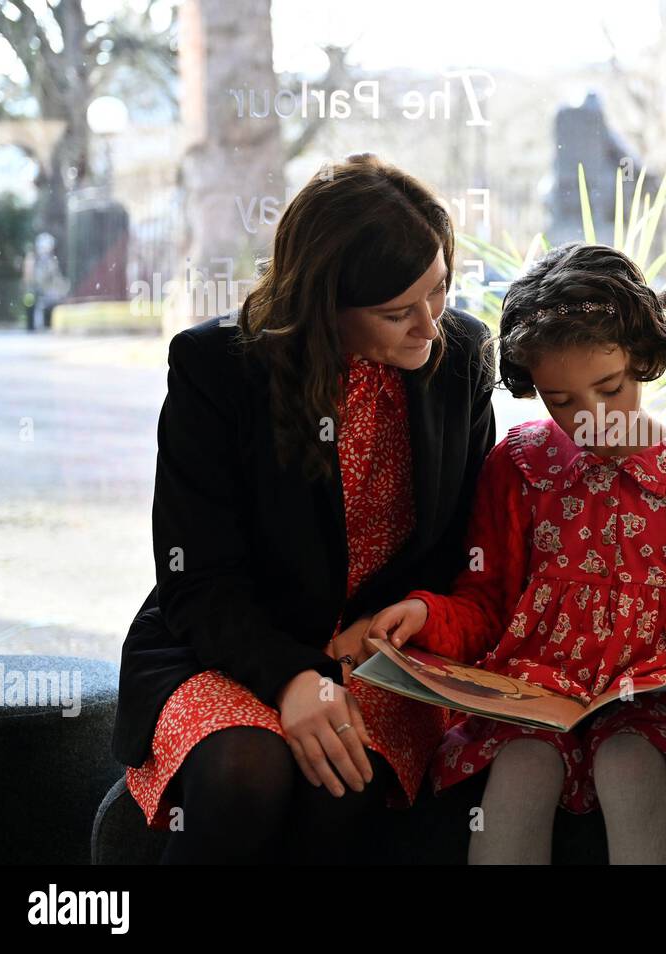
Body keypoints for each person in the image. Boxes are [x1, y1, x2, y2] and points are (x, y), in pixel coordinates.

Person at [367, 243, 666, 864]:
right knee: (520, 768)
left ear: (644, 357)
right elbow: (483, 602)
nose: (594, 420)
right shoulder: (517, 466)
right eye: (562, 400)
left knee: (630, 761)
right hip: (532, 693)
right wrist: (423, 613)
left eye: (609, 387)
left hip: (659, 698)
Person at [111, 154, 496, 863]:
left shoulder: (463, 356)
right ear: (324, 308)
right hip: (232, 645)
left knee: (338, 784)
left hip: (378, 660)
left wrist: (406, 618)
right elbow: (197, 576)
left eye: (440, 290)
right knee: (242, 773)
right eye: (395, 312)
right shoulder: (217, 368)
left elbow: (460, 551)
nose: (430, 326)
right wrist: (296, 676)